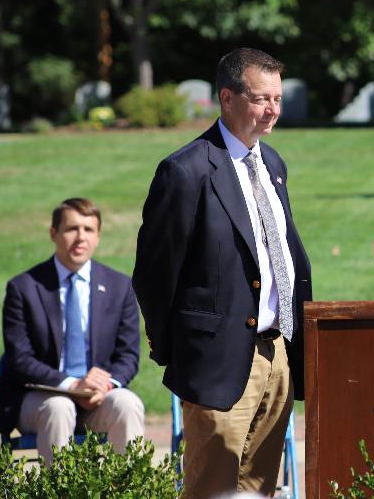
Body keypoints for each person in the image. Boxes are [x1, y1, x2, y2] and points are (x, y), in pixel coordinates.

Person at [132, 48, 312, 498]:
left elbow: (280, 252)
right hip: (216, 361)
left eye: (277, 98)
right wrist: (179, 350)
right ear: (227, 98)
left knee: (259, 489)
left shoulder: (272, 164)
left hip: (279, 354)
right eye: (260, 98)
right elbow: (155, 274)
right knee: (213, 489)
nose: (272, 110)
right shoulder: (185, 170)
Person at [0, 198, 143, 464]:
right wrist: (72, 385)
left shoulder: (120, 288)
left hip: (97, 398)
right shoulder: (24, 288)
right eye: (72, 229)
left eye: (89, 230)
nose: (80, 237)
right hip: (38, 398)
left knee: (127, 403)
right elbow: (19, 360)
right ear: (53, 233)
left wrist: (104, 385)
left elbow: (129, 357)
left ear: (98, 236)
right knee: (59, 407)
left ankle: (125, 489)